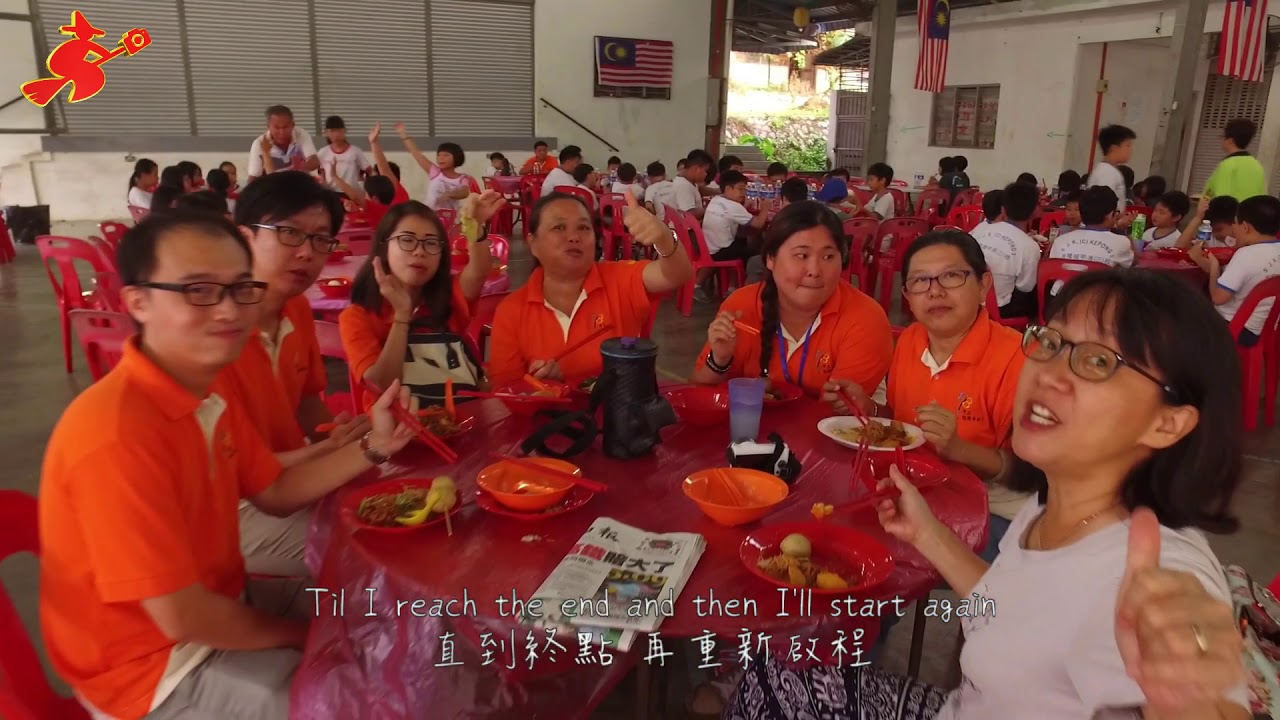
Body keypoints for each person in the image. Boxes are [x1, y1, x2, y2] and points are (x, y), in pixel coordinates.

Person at [726, 268, 1250, 720]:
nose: (1048, 375)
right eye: (1050, 343)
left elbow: (1204, 691)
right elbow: (1006, 605)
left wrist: (1188, 701)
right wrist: (928, 534)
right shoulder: (1054, 503)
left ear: (1167, 424)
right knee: (774, 669)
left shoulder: (1160, 572)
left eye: (1097, 363)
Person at [39, 210, 418, 720]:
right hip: (152, 672)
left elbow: (275, 489)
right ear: (138, 302)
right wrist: (301, 636)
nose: (227, 311)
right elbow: (183, 618)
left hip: (221, 602)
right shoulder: (114, 434)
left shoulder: (203, 391)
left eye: (241, 289)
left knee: (388, 618)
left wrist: (374, 444)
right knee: (355, 698)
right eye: (198, 290)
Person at [487, 191, 693, 386]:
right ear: (533, 244)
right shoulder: (511, 311)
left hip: (617, 414)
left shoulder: (620, 279)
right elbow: (506, 388)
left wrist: (664, 238)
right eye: (559, 228)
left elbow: (676, 274)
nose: (574, 237)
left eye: (583, 228)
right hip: (543, 419)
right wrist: (540, 387)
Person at [693, 201, 892, 398]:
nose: (814, 271)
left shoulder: (864, 318)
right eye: (802, 255)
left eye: (828, 257)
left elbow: (840, 420)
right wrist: (720, 360)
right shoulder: (741, 306)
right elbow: (701, 392)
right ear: (771, 259)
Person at [340, 195, 504, 407]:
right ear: (384, 247)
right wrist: (401, 316)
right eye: (407, 240)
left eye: (431, 243)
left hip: (461, 422)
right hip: (396, 431)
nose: (419, 251)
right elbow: (380, 386)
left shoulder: (447, 297)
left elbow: (479, 271)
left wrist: (476, 227)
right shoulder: (357, 317)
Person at [1191, 195, 1280, 347]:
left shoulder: (1246, 254)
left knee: (1185, 314)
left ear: (1245, 227)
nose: (1234, 228)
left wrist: (1214, 267)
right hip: (1267, 328)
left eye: (1236, 223)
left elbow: (1218, 298)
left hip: (1236, 327)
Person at [971, 182, 1040, 319]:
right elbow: (1025, 287)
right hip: (998, 308)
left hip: (968, 299)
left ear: (1003, 209)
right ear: (1034, 212)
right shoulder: (1030, 246)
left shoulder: (980, 229)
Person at [328, 123, 412, 231]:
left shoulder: (378, 209)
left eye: (366, 193)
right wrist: (374, 143)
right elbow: (385, 169)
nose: (364, 195)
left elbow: (355, 196)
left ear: (375, 198)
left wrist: (334, 177)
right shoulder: (398, 197)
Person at [395, 122, 473, 213]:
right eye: (439, 155)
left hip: (448, 219)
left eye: (446, 155)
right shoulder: (435, 172)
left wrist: (450, 194)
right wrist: (403, 134)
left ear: (457, 157)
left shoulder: (462, 178)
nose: (441, 158)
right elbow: (416, 153)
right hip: (429, 215)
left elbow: (464, 192)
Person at [1049, 186, 1134, 267]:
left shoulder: (1060, 240)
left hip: (1065, 282)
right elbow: (1132, 264)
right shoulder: (1122, 242)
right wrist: (1123, 230)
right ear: (1111, 214)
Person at [701, 169, 768, 263]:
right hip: (722, 251)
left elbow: (731, 214)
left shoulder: (716, 199)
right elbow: (758, 224)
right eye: (740, 189)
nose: (743, 193)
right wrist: (765, 208)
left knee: (744, 238)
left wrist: (744, 206)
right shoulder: (734, 206)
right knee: (756, 255)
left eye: (745, 189)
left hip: (710, 248)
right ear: (728, 189)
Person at [248, 105, 320, 180]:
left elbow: (315, 162)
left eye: (285, 127)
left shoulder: (301, 135)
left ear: (293, 125)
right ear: (268, 126)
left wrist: (301, 166)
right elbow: (253, 177)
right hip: (272, 187)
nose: (281, 132)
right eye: (277, 128)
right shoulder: (259, 143)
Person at [1204, 118, 1268, 201]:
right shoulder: (1257, 165)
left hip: (1229, 213)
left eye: (1223, 137)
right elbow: (1263, 196)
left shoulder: (1228, 164)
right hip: (1251, 213)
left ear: (1230, 140)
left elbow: (1221, 200)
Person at [1087, 124, 1136, 212]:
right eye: (1127, 145)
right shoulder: (1107, 173)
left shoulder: (1109, 170)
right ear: (1114, 148)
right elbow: (1102, 208)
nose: (1131, 150)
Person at [317, 115, 372, 191]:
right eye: (332, 131)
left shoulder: (355, 151)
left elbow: (369, 171)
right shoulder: (322, 152)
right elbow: (321, 173)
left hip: (352, 194)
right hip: (331, 194)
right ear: (326, 133)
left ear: (344, 131)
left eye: (339, 130)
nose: (336, 134)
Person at [674, 150, 713, 220]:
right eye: (705, 171)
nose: (706, 174)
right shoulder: (684, 186)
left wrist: (719, 191)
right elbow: (689, 213)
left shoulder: (688, 181)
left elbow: (700, 189)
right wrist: (712, 208)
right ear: (696, 169)